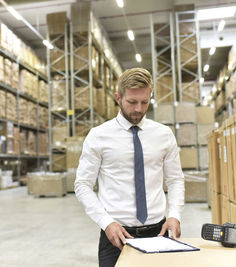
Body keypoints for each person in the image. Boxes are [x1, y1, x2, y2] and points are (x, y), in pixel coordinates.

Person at [74, 68, 185, 267]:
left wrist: (174, 215)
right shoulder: (99, 136)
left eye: (145, 102)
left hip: (158, 233)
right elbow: (83, 184)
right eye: (132, 102)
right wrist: (106, 222)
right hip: (116, 237)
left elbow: (175, 179)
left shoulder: (163, 134)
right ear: (118, 97)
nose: (138, 109)